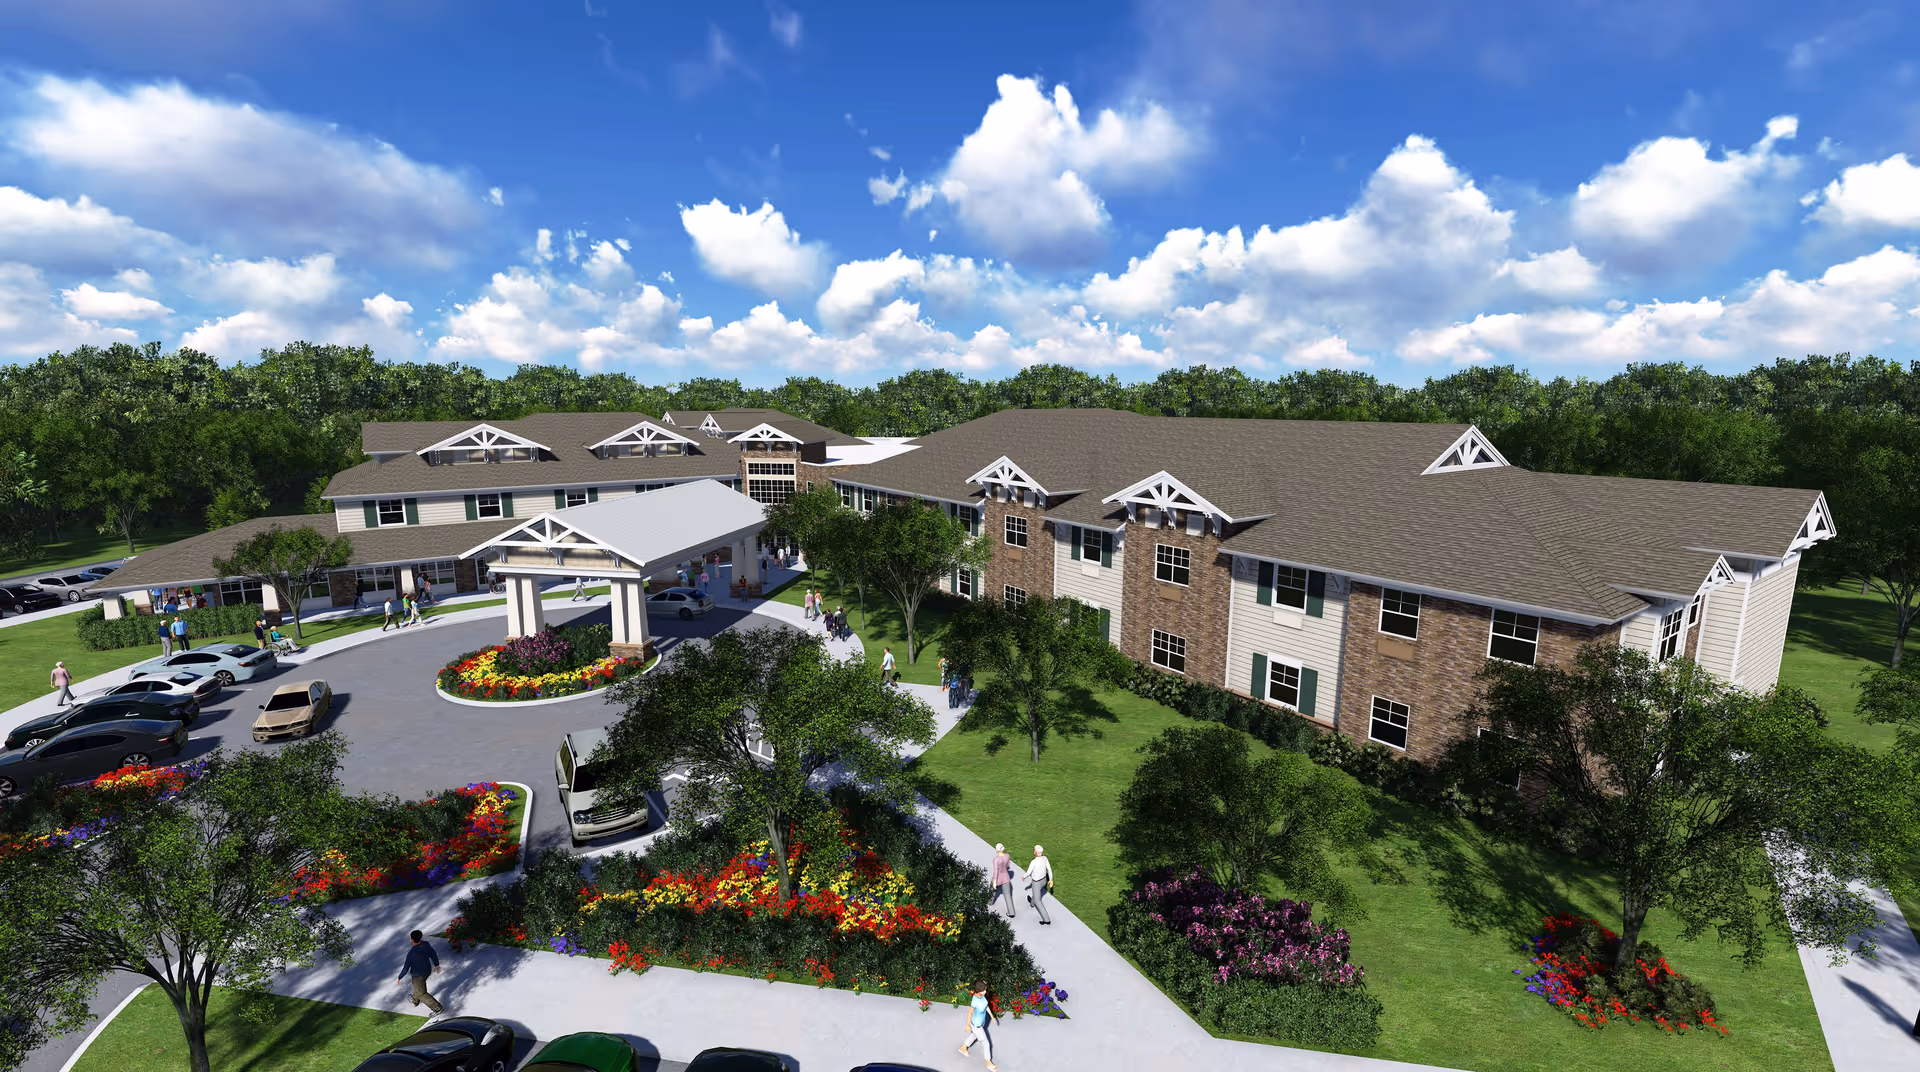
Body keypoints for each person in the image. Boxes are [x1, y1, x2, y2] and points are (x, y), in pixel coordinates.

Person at [397, 929, 445, 1017]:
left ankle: (437, 1008)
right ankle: (415, 1001)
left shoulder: (411, 953)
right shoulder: (426, 944)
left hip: (418, 975)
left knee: (421, 993)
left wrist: (400, 977)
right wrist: (436, 964)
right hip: (427, 971)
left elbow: (406, 968)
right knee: (418, 987)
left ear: (411, 940)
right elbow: (433, 954)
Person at [959, 980, 999, 1071]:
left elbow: (986, 1006)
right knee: (986, 1043)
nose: (985, 992)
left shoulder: (982, 997)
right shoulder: (975, 1001)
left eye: (985, 989)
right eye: (983, 990)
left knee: (974, 1036)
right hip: (976, 1025)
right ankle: (988, 1062)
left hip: (981, 1023)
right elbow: (969, 1013)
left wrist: (992, 1017)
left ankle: (963, 1047)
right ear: (978, 991)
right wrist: (967, 1025)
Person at [1027, 845, 1055, 925]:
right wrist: (1051, 879)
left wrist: (1024, 877)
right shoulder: (1045, 858)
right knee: (1036, 893)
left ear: (1035, 852)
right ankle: (1032, 903)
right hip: (1044, 881)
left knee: (1038, 901)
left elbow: (1028, 873)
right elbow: (1049, 869)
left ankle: (1046, 919)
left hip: (1036, 882)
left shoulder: (1034, 862)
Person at [990, 844, 1016, 918]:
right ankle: (1011, 912)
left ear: (997, 850)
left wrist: (995, 882)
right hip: (1006, 878)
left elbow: (996, 872)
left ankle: (990, 902)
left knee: (992, 890)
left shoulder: (996, 859)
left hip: (998, 878)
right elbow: (1007, 865)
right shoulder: (1007, 856)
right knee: (1007, 895)